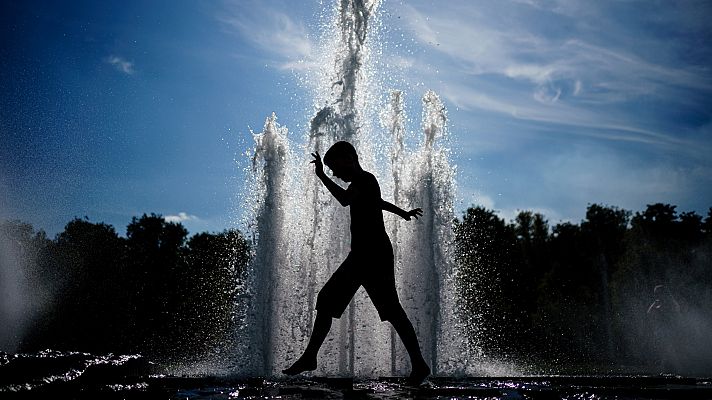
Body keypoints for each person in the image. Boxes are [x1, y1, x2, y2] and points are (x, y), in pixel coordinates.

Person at [282, 141, 431, 384]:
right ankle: (310, 356)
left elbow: (344, 199)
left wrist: (320, 176)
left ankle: (419, 364)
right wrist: (402, 212)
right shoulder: (364, 184)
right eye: (329, 170)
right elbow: (378, 203)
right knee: (328, 300)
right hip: (363, 255)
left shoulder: (364, 180)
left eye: (334, 167)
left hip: (373, 255)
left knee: (390, 310)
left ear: (349, 158)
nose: (334, 173)